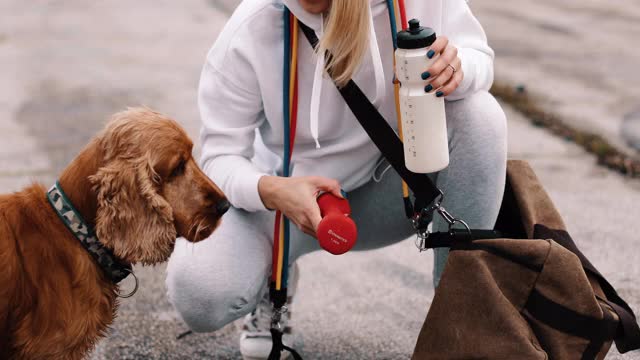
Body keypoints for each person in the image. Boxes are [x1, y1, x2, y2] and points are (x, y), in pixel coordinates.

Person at [166, 0, 507, 358]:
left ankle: (459, 321)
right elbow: (219, 158)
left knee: (479, 116)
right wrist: (272, 190)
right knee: (199, 293)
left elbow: (479, 56)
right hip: (289, 203)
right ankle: (273, 279)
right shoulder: (252, 26)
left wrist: (459, 67)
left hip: (395, 191)